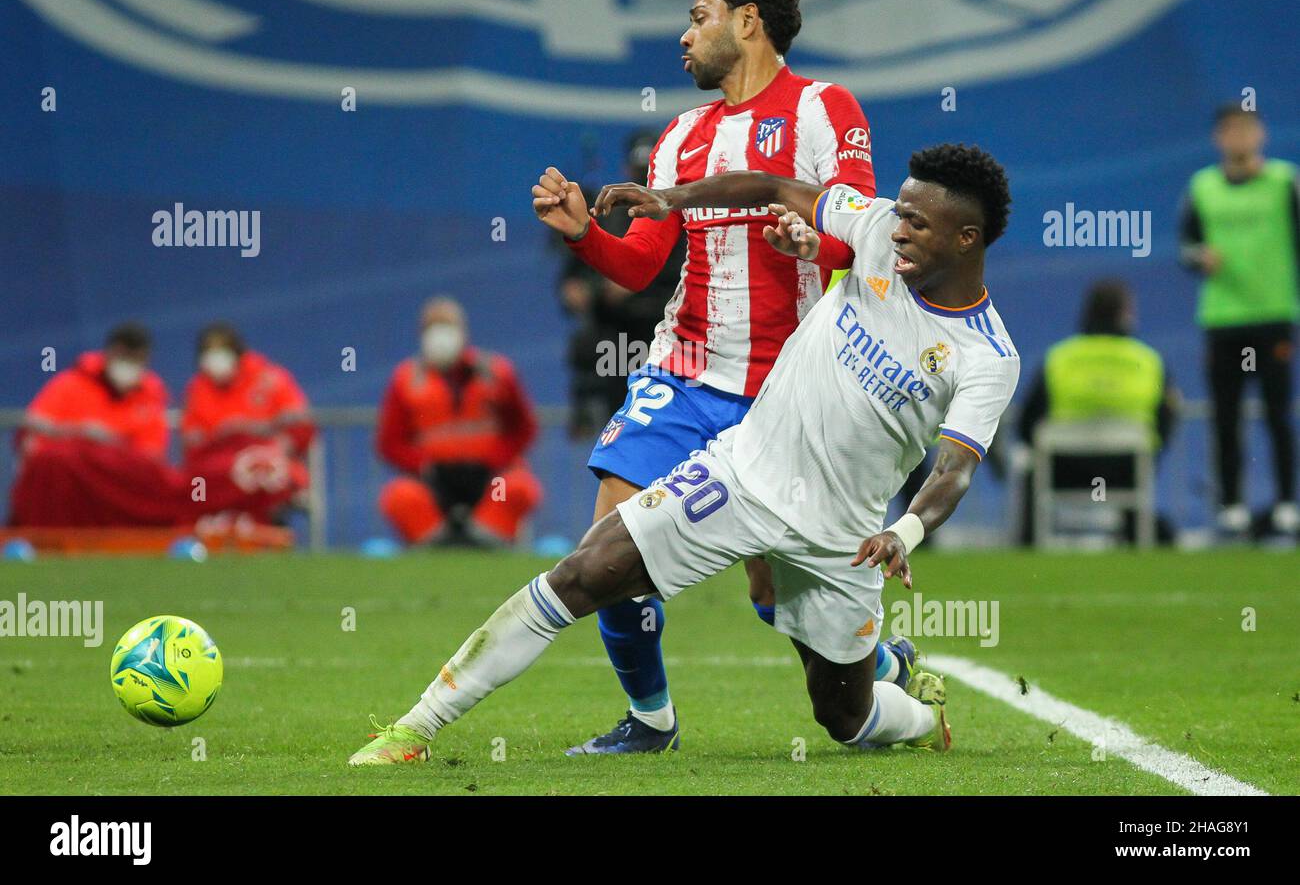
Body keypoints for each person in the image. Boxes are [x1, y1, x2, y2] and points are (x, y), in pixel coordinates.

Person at [348, 143, 1017, 766]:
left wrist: (903, 531)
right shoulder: (872, 227)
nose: (898, 230)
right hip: (741, 472)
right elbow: (771, 185)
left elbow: (955, 469)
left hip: (841, 532)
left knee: (842, 717)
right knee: (583, 572)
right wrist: (676, 198)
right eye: (900, 214)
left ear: (967, 239)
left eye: (918, 225)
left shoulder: (988, 355)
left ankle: (924, 720)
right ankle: (415, 728)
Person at [533, 0, 896, 755]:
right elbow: (639, 263)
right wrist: (583, 234)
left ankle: (881, 666)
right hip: (686, 372)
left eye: (698, 16)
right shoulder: (680, 136)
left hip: (789, 389)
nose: (684, 36)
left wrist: (813, 240)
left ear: (748, 22)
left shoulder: (821, 108)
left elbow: (864, 231)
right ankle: (650, 719)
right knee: (607, 552)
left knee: (775, 594)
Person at [1179, 105, 1300, 538]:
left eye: (1246, 130)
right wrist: (1198, 256)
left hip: (1273, 314)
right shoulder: (1204, 186)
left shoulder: (1286, 182)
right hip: (1223, 317)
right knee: (1225, 415)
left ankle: (1287, 502)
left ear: (1261, 135)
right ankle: (1232, 505)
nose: (1239, 138)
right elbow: (1186, 244)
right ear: (1218, 138)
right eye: (1230, 130)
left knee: (1277, 412)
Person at [1016, 280, 1179, 544]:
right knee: (1141, 457)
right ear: (1126, 314)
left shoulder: (1060, 358)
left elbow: (1026, 425)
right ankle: (1138, 535)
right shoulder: (1148, 361)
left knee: (1032, 471)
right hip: (1126, 471)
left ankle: (1029, 546)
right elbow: (1165, 422)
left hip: (1064, 471)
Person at [553, 129, 686, 438]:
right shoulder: (604, 213)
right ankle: (586, 410)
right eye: (636, 172)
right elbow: (576, 276)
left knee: (666, 433)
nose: (640, 183)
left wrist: (636, 283)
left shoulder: (680, 215)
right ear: (626, 170)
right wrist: (582, 290)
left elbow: (683, 273)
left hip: (664, 339)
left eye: (647, 173)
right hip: (614, 339)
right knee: (620, 431)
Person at [376, 298, 541, 547]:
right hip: (432, 482)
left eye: (447, 326)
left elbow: (523, 428)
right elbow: (389, 442)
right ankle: (435, 545)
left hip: (491, 479)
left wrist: (496, 459)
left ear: (463, 332)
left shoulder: (497, 372)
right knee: (400, 496)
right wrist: (422, 466)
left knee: (519, 487)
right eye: (433, 327)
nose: (440, 335)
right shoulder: (406, 379)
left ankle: (487, 542)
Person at [10, 322, 177, 526]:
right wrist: (80, 432)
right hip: (69, 474)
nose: (128, 364)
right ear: (108, 353)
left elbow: (151, 457)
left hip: (116, 478)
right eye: (123, 356)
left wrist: (112, 445)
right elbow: (34, 423)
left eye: (136, 359)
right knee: (55, 460)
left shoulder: (151, 394)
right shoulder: (72, 382)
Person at [180, 322, 315, 524]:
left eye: (221, 350)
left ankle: (268, 523)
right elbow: (194, 444)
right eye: (209, 352)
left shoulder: (270, 379)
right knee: (200, 482)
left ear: (236, 352)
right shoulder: (198, 389)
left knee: (267, 470)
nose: (215, 358)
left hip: (268, 460)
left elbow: (300, 424)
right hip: (218, 470)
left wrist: (258, 434)